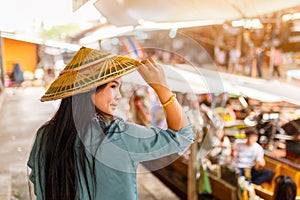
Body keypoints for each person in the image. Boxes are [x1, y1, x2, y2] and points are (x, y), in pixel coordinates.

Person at [27, 47, 194, 200]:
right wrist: (161, 87)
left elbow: (38, 183)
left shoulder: (45, 135)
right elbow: (182, 136)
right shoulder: (119, 135)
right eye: (113, 86)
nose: (118, 95)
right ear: (90, 88)